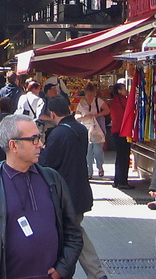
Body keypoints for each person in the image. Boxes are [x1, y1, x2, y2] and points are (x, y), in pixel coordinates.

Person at [0, 114, 83, 279]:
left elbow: (73, 232)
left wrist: (62, 269)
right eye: (34, 139)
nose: (40, 144)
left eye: (39, 137)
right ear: (14, 145)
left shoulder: (52, 180)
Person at [40, 97, 106, 279]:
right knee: (75, 232)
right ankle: (96, 274)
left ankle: (67, 271)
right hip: (80, 190)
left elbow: (47, 162)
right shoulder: (79, 128)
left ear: (52, 113)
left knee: (72, 235)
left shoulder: (58, 134)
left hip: (65, 195)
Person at [76, 83, 110, 178]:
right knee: (88, 151)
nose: (90, 96)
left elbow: (107, 110)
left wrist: (97, 115)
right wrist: (84, 117)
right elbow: (76, 116)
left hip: (97, 129)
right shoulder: (81, 104)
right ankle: (89, 171)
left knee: (98, 150)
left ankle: (100, 166)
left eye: (91, 94)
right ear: (85, 94)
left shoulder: (98, 101)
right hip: (85, 129)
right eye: (88, 94)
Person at [109, 82, 133, 189]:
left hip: (116, 131)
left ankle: (117, 180)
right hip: (122, 131)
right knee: (124, 157)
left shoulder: (114, 101)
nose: (126, 91)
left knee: (119, 157)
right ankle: (123, 182)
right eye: (124, 89)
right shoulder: (122, 100)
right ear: (119, 91)